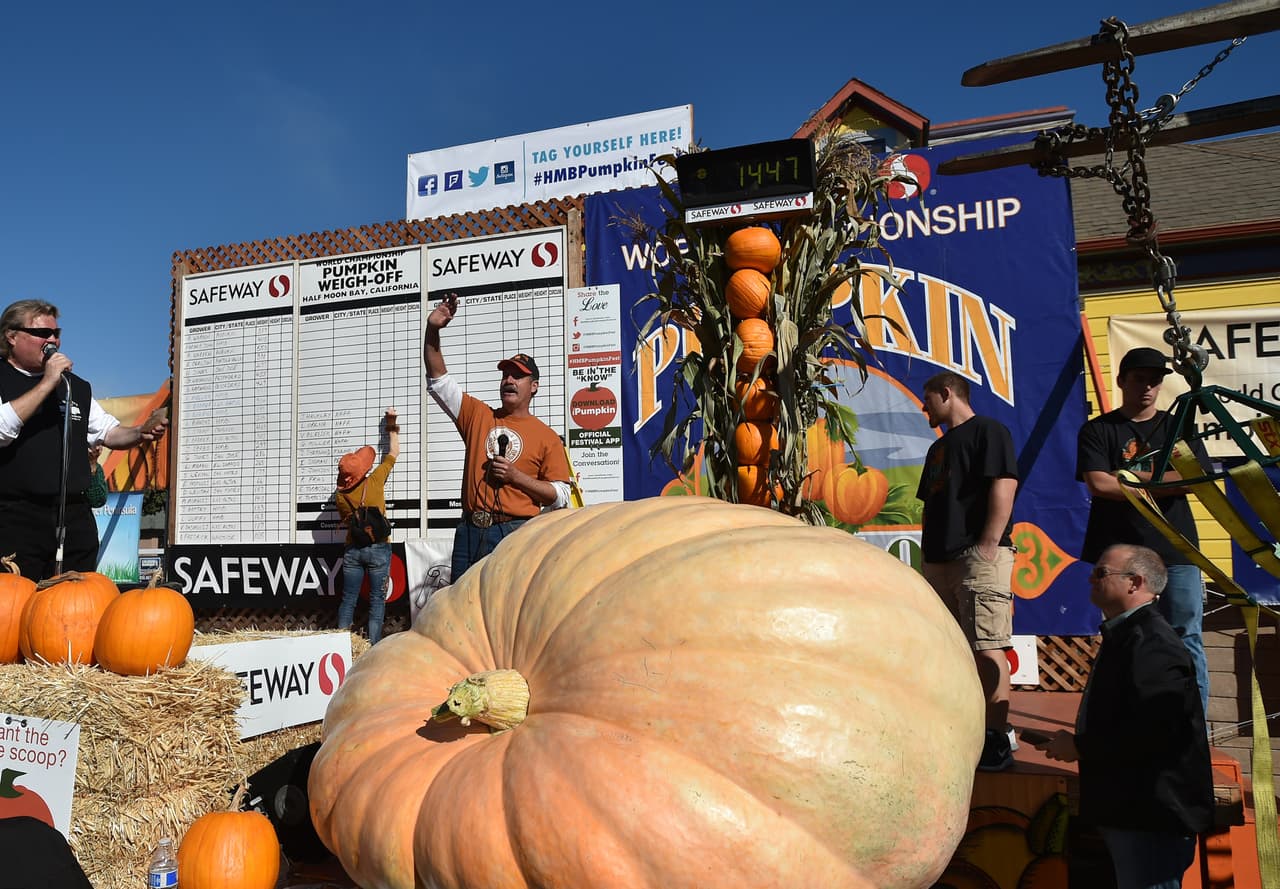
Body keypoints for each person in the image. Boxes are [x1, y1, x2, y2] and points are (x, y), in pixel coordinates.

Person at [1034, 544, 1213, 889]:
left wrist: (1081, 746)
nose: (1091, 578)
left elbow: (1157, 730)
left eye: (1101, 573)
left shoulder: (1154, 644)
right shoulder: (1129, 636)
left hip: (1153, 816)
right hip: (1133, 810)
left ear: (1135, 582)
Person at [1077, 346, 1211, 715]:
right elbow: (1099, 485)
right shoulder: (1098, 429)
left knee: (1187, 636)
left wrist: (1130, 478)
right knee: (1122, 638)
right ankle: (1129, 719)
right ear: (1121, 381)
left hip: (1176, 549)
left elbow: (1194, 478)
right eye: (1139, 379)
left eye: (1155, 380)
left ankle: (1192, 725)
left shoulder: (1176, 426)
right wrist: (1161, 481)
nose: (1148, 387)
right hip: (1120, 555)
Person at [0, 300, 168, 580]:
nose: (52, 340)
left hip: (73, 517)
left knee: (74, 604)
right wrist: (46, 383)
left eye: (56, 333)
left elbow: (108, 432)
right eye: (42, 333)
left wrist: (140, 432)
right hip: (17, 517)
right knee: (14, 605)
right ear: (12, 336)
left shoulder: (74, 385)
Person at [423, 292, 571, 581]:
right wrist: (432, 330)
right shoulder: (478, 414)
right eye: (505, 375)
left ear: (535, 386)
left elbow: (561, 496)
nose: (509, 380)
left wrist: (517, 478)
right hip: (469, 529)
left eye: (518, 376)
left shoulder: (547, 436)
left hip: (515, 532)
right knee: (460, 607)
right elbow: (438, 378)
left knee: (505, 610)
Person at [916, 371, 1019, 772]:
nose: (925, 407)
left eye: (928, 398)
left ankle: (996, 740)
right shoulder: (938, 449)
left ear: (947, 393)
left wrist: (990, 544)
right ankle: (964, 732)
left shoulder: (988, 431)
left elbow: (1004, 484)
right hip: (939, 561)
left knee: (987, 646)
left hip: (977, 558)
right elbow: (931, 505)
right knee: (950, 651)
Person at [334, 408, 399, 645]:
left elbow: (346, 520)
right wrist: (391, 425)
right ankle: (373, 647)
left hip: (353, 549)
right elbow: (393, 453)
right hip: (380, 549)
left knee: (348, 599)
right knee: (376, 600)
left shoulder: (340, 497)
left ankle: (339, 646)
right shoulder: (375, 480)